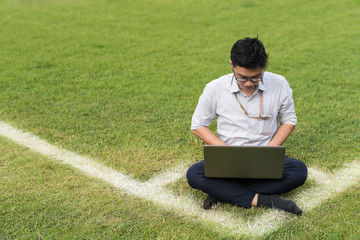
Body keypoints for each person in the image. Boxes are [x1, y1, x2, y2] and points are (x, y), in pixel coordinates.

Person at [186, 37, 308, 215]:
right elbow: (198, 125)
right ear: (231, 65)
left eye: (256, 77)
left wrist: (269, 151)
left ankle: (223, 191)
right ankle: (263, 199)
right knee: (194, 174)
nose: (249, 83)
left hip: (265, 155)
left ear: (263, 67)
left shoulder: (280, 84)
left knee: (299, 171)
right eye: (242, 78)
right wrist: (226, 151)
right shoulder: (215, 88)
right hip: (227, 158)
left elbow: (288, 120)